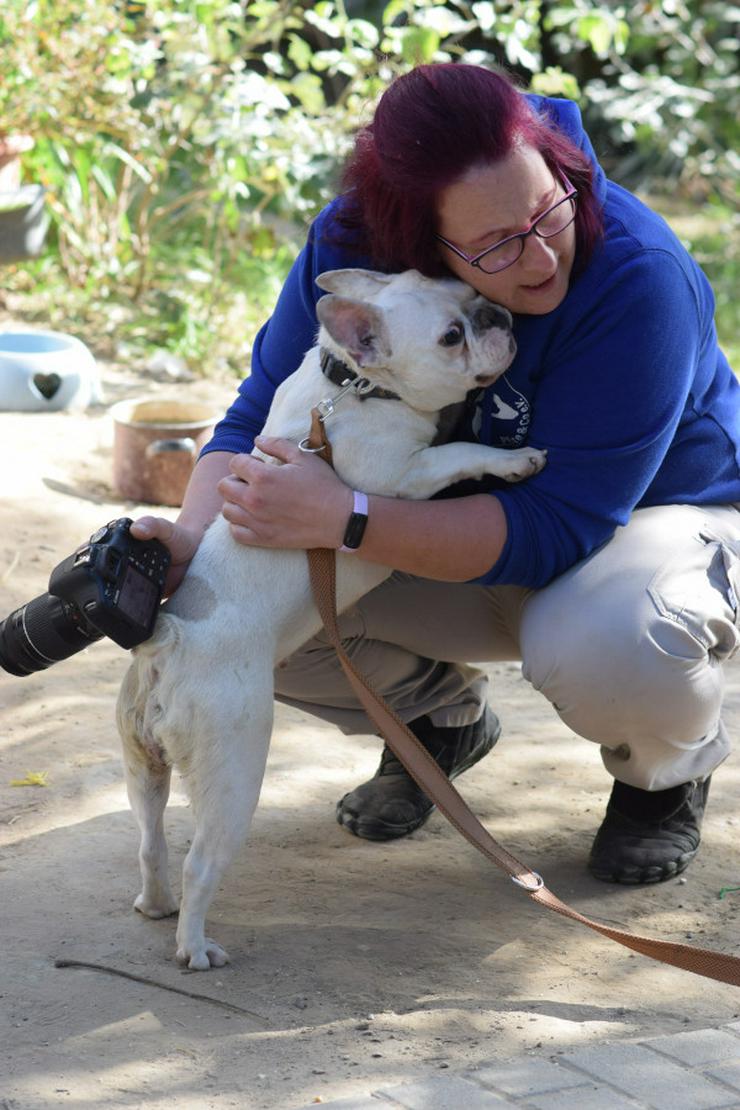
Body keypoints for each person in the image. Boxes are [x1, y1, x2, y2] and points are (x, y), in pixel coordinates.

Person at [132, 63, 740, 886]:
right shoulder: (355, 253)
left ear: (560, 166)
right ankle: (437, 718)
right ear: (416, 242)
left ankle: (660, 777)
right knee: (224, 622)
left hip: (640, 530)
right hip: (447, 520)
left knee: (610, 643)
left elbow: (560, 526)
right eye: (494, 244)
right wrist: (189, 542)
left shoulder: (638, 276)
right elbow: (255, 419)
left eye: (547, 208)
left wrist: (342, 518)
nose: (538, 257)